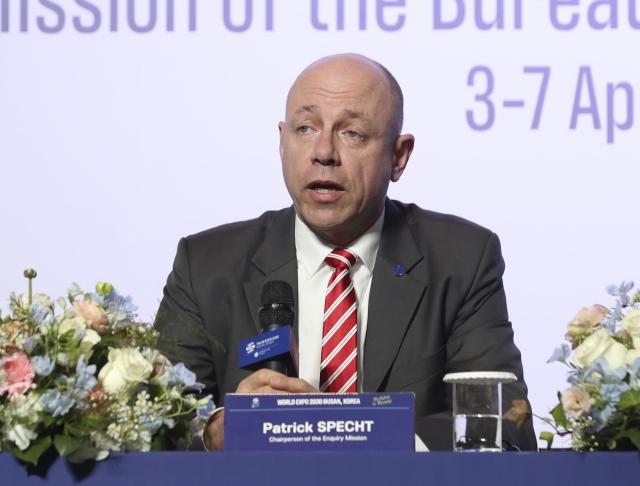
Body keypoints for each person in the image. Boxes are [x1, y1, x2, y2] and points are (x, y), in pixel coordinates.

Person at [155, 54, 537, 451]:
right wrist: (217, 430)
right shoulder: (205, 265)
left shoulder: (461, 259)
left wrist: (349, 431)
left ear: (398, 156)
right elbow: (151, 425)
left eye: (352, 133)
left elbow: (508, 426)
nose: (323, 152)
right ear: (282, 142)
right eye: (305, 128)